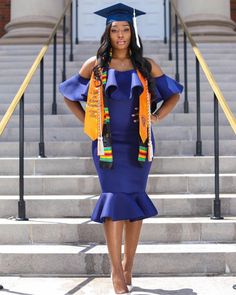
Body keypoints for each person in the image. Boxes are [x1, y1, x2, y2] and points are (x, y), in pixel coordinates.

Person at [59, 3, 183, 294]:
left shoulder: (146, 66)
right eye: (115, 30)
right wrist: (87, 122)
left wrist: (157, 117)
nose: (121, 35)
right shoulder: (96, 66)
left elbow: (173, 95)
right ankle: (116, 272)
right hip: (107, 145)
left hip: (139, 143)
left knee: (135, 202)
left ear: (133, 32)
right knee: (114, 201)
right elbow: (68, 95)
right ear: (108, 33)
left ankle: (129, 265)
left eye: (125, 29)